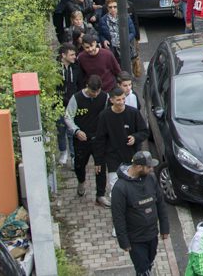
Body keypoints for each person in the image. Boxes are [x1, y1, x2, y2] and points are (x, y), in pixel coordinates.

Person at [111, 150, 170, 276]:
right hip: (136, 239)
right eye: (148, 167)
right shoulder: (120, 188)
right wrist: (124, 241)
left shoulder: (151, 178)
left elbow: (160, 203)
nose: (151, 169)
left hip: (152, 234)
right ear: (138, 167)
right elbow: (118, 217)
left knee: (149, 262)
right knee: (142, 269)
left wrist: (165, 228)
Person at [95, 87, 149, 205]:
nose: (121, 102)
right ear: (112, 100)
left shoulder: (133, 113)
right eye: (118, 100)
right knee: (115, 187)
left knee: (132, 185)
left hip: (131, 156)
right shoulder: (104, 116)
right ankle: (118, 207)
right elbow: (100, 140)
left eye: (123, 99)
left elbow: (144, 131)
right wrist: (98, 161)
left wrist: (135, 138)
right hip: (113, 157)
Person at [64, 74, 109, 202]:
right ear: (87, 86)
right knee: (79, 165)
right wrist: (76, 131)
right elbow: (68, 117)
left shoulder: (105, 97)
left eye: (97, 91)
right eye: (92, 91)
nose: (95, 94)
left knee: (100, 166)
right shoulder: (76, 98)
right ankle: (81, 181)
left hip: (98, 139)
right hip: (81, 139)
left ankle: (100, 194)